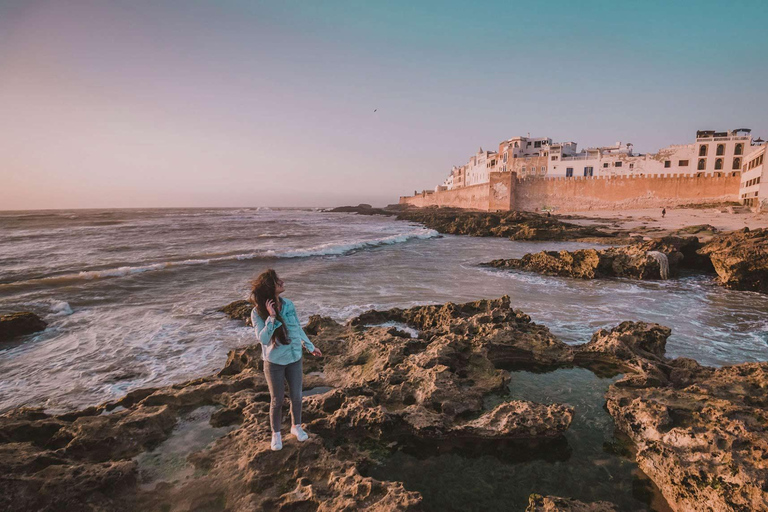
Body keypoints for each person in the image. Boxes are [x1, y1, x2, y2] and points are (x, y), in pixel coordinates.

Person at [249, 269, 322, 451]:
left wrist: (310, 346)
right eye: (277, 280)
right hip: (274, 362)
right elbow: (264, 339)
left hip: (294, 356)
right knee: (277, 399)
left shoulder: (289, 304)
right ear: (270, 287)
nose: (282, 281)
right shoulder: (257, 313)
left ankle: (296, 427)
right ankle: (276, 434)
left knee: (297, 396)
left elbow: (297, 328)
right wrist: (272, 317)